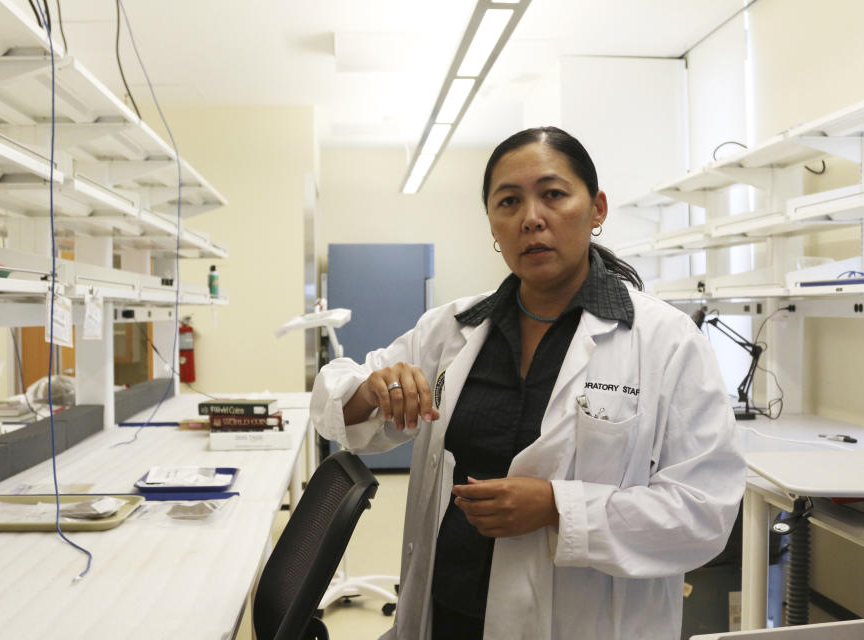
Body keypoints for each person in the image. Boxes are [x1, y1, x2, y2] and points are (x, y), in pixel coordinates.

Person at [310, 126, 745, 640]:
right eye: (509, 202)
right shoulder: (451, 329)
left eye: (554, 194)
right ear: (494, 226)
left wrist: (559, 508)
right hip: (447, 609)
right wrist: (375, 388)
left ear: (597, 209)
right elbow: (337, 395)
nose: (531, 218)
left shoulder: (665, 340)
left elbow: (704, 512)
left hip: (585, 623)